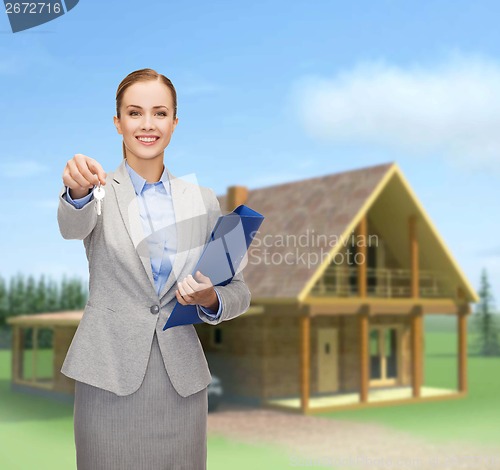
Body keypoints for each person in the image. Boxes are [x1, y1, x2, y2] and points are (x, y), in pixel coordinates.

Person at [57, 68, 251, 470]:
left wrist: (211, 298)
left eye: (159, 113)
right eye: (134, 112)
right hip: (108, 377)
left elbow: (239, 291)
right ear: (118, 123)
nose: (147, 124)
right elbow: (71, 227)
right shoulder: (95, 189)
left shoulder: (202, 200)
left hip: (181, 385)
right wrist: (75, 193)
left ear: (174, 123)